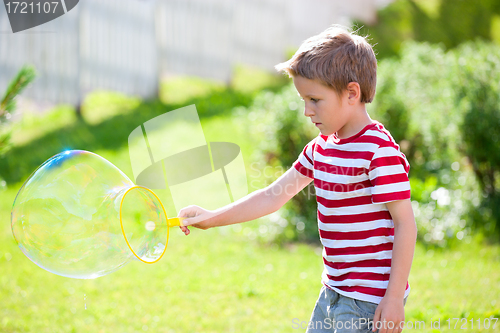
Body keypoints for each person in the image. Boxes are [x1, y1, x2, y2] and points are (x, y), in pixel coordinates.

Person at [177, 25, 417, 333]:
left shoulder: (377, 150)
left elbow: (405, 223)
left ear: (352, 93)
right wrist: (213, 217)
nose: (306, 110)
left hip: (369, 300)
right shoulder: (320, 149)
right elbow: (273, 195)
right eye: (304, 99)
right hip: (332, 292)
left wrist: (394, 297)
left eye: (315, 99)